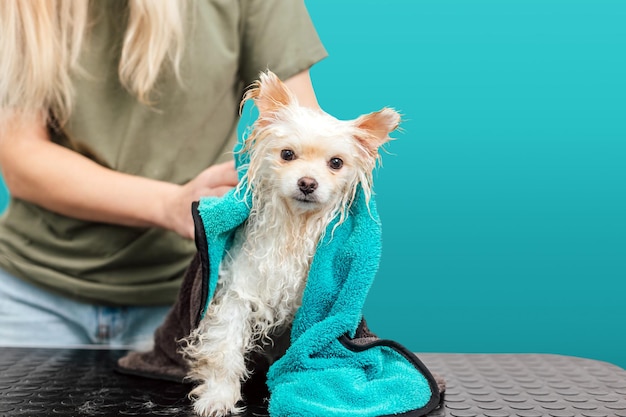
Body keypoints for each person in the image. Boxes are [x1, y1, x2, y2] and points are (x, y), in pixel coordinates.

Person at [0, 0, 327, 348]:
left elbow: (297, 125)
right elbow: (21, 157)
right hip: (32, 298)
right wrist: (170, 205)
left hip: (191, 299)